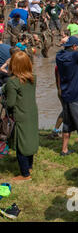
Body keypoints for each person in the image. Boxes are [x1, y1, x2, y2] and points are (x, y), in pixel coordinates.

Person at [3, 51, 38, 181]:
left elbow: (11, 103)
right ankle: (29, 166)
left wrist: (3, 100)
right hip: (32, 112)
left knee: (21, 144)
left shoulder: (12, 83)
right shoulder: (33, 78)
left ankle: (25, 174)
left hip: (20, 114)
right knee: (29, 139)